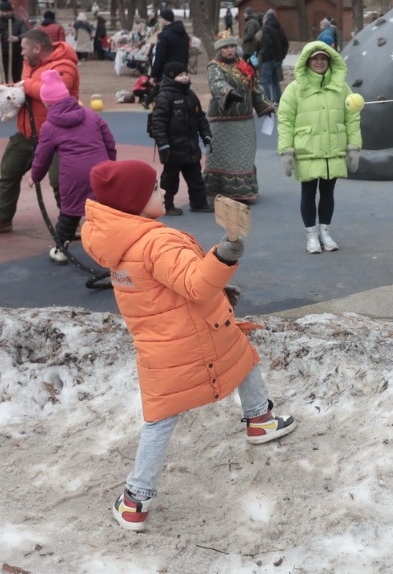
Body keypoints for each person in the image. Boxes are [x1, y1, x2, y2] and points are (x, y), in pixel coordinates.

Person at [80, 159, 296, 532]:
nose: (163, 189)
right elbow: (196, 283)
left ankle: (136, 503)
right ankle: (136, 493)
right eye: (151, 190)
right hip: (195, 333)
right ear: (133, 202)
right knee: (230, 365)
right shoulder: (156, 242)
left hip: (163, 342)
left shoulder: (117, 243)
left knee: (232, 362)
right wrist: (225, 254)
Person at [277, 41, 361, 253]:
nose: (320, 62)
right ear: (307, 61)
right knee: (308, 193)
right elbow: (285, 119)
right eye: (315, 59)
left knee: (328, 193)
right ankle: (311, 235)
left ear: (330, 61)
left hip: (333, 148)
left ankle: (325, 232)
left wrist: (353, 146)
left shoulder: (342, 88)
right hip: (307, 149)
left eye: (323, 58)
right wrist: (286, 150)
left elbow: (352, 118)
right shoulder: (295, 89)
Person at [29, 70, 116, 263]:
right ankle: (112, 249)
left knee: (70, 211)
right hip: (102, 170)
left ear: (46, 103)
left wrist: (35, 176)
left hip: (73, 176)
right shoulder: (91, 115)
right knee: (103, 211)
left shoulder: (49, 126)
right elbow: (109, 141)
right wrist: (111, 164)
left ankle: (61, 248)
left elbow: (42, 157)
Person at [0, 29, 80, 233]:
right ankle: (2, 219)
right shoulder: (30, 63)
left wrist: (25, 84)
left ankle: (71, 224)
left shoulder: (65, 65)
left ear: (37, 48)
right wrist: (8, 90)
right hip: (27, 134)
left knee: (60, 181)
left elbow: (51, 93)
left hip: (58, 137)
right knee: (7, 173)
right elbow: (24, 87)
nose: (21, 53)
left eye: (23, 48)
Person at [205, 31, 274, 202]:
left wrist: (265, 105)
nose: (230, 50)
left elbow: (255, 86)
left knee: (244, 156)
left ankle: (243, 190)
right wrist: (227, 92)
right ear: (219, 50)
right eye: (226, 47)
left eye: (232, 46)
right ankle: (219, 189)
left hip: (244, 120)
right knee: (223, 156)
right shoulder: (214, 66)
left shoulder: (243, 65)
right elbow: (216, 83)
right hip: (223, 122)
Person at [150, 61, 214, 215]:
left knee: (196, 177)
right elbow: (158, 122)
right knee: (170, 179)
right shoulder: (165, 97)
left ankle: (199, 202)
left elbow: (200, 118)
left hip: (191, 146)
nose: (185, 78)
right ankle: (167, 205)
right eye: (180, 75)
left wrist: (206, 134)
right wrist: (163, 144)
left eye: (186, 74)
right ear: (171, 77)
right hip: (173, 148)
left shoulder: (190, 95)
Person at [149, 9, 191, 89]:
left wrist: (154, 75)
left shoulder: (164, 35)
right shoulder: (184, 35)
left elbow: (160, 57)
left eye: (160, 18)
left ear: (165, 18)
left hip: (167, 72)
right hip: (181, 70)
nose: (159, 20)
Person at [258, 9, 289, 104]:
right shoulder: (280, 28)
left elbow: (266, 43)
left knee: (265, 80)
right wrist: (282, 56)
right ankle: (278, 99)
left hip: (268, 59)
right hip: (277, 59)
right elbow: (286, 44)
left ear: (266, 17)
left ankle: (268, 100)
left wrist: (263, 54)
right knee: (275, 80)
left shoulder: (266, 28)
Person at [0, 0, 28, 82]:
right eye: (3, 11)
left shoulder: (19, 22)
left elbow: (25, 34)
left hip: (17, 55)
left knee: (17, 78)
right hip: (3, 56)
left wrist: (17, 38)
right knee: (5, 78)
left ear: (11, 11)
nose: (5, 13)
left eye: (7, 11)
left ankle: (17, 93)